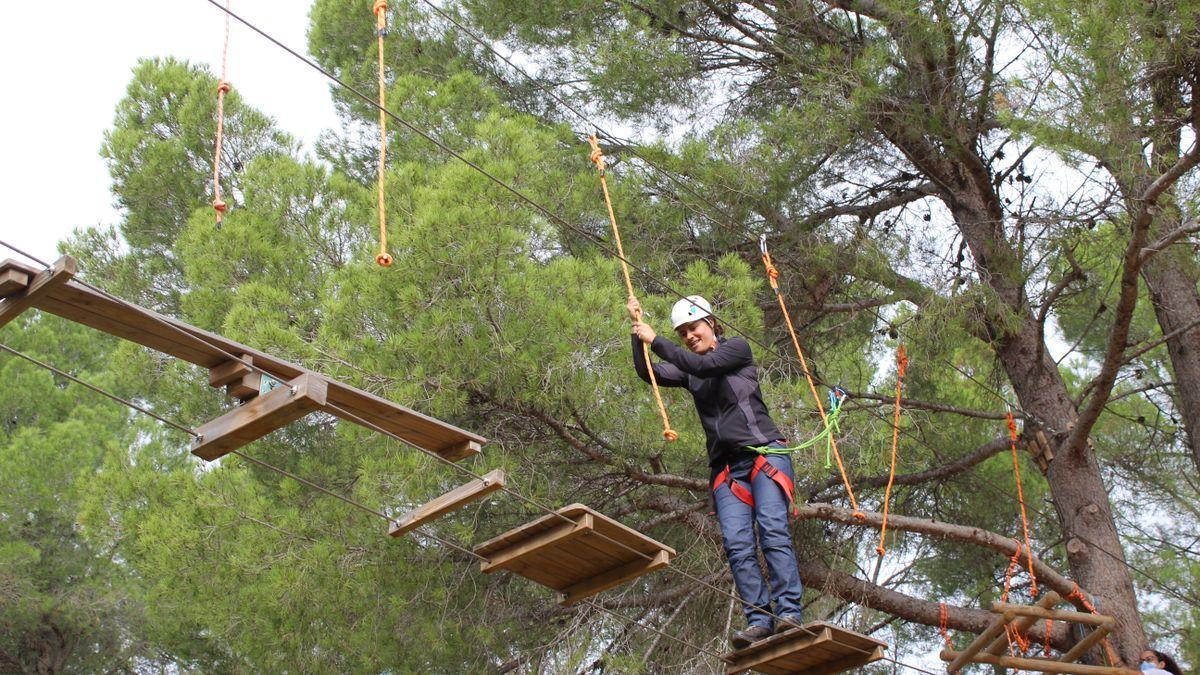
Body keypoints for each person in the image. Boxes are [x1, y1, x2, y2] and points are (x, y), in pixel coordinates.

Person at [628, 294, 805, 648]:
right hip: (726, 469)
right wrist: (637, 332)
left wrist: (656, 339)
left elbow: (703, 367)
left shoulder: (735, 351)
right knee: (737, 545)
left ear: (711, 324)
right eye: (683, 334)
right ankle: (759, 620)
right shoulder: (689, 368)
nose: (690, 336)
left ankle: (789, 614)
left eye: (694, 328)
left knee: (772, 531)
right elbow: (648, 373)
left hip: (764, 455)